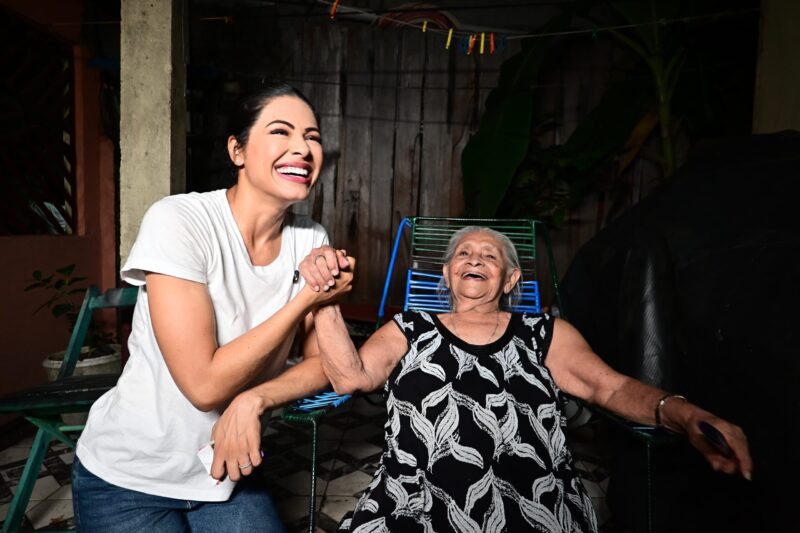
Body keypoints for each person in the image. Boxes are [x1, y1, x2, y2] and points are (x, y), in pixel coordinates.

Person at [311, 226, 753, 533]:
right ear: (446, 275)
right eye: (463, 253)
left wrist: (683, 412)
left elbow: (611, 387)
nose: (474, 259)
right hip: (416, 504)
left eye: (490, 256)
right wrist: (325, 298)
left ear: (511, 279)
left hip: (533, 505)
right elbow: (351, 377)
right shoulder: (408, 327)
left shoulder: (547, 332)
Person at [72, 83, 352, 532]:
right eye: (281, 132)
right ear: (237, 151)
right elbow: (203, 386)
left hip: (228, 472)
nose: (302, 147)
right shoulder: (180, 221)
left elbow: (330, 366)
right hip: (130, 478)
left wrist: (256, 399)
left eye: (313, 137)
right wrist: (306, 298)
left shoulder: (311, 238)